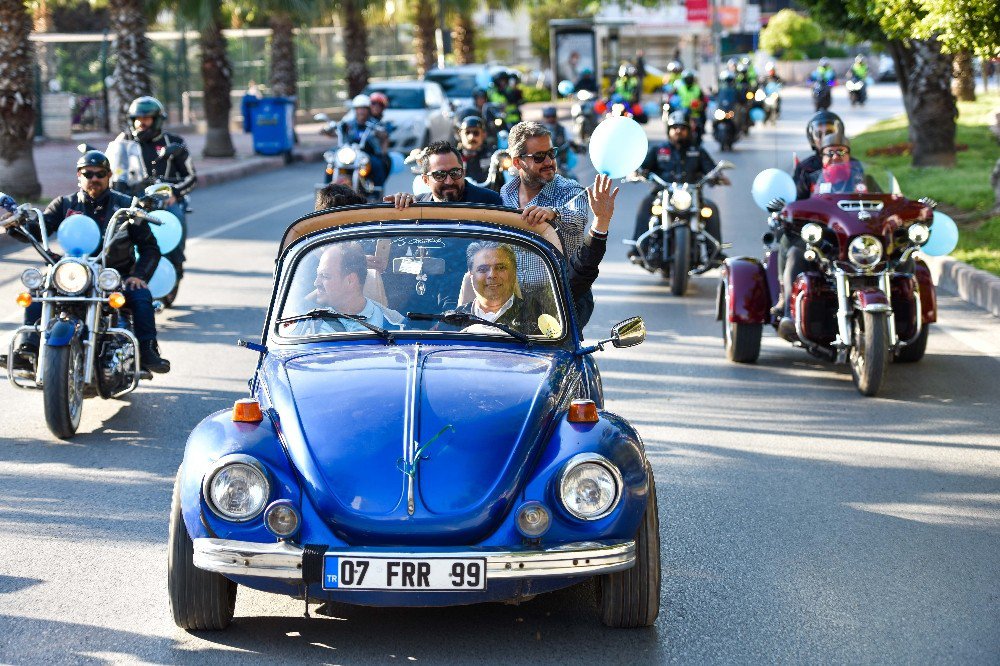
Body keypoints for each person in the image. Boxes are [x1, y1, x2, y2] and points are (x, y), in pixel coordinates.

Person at [2, 151, 170, 373]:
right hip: (74, 273)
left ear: (109, 175)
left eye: (100, 173)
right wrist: (15, 226)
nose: (94, 178)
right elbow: (38, 231)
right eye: (87, 173)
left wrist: (139, 276)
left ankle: (148, 351)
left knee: (140, 296)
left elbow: (150, 247)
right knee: (38, 291)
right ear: (78, 176)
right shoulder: (64, 204)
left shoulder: (126, 206)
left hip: (114, 275)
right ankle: (28, 349)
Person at [775, 136, 867, 341]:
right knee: (795, 254)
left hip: (857, 241)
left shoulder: (861, 178)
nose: (836, 156)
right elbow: (795, 203)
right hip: (821, 240)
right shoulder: (814, 178)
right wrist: (785, 208)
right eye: (830, 152)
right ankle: (789, 312)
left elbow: (885, 197)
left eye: (841, 152)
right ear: (822, 156)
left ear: (849, 156)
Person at [628, 111, 730, 263]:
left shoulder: (697, 151)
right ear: (668, 130)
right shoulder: (658, 150)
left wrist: (718, 177)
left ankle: (714, 253)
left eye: (682, 128)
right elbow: (643, 167)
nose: (678, 131)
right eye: (674, 127)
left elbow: (711, 169)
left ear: (689, 131)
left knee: (711, 209)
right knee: (645, 205)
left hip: (692, 196)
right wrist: (636, 172)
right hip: (662, 195)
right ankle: (637, 249)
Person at [118, 96, 195, 285]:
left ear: (157, 120)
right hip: (134, 199)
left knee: (175, 218)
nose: (140, 123)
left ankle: (177, 263)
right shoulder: (124, 140)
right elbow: (114, 168)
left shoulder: (173, 142)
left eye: (146, 118)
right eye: (137, 118)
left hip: (165, 199)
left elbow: (191, 176)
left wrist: (174, 192)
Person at [292, 242, 404, 336]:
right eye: (318, 275)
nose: (316, 283)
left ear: (350, 280)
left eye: (325, 276)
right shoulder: (306, 322)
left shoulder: (396, 324)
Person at [386, 141, 503, 206]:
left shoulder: (490, 202)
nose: (449, 181)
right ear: (425, 180)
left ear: (463, 173)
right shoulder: (417, 206)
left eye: (455, 172)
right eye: (440, 175)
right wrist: (401, 205)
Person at [340, 94, 390, 188]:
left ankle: (377, 192)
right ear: (355, 110)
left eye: (364, 108)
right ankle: (327, 189)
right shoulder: (349, 123)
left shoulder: (374, 123)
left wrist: (379, 132)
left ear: (368, 109)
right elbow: (336, 131)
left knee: (378, 165)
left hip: (368, 154)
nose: (361, 111)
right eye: (358, 108)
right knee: (332, 162)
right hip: (351, 154)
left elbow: (384, 134)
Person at [456, 116, 492, 184]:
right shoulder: (454, 157)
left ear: (484, 134)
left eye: (476, 133)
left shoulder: (492, 155)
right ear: (460, 134)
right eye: (467, 132)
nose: (471, 137)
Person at [539, 106, 572, 174]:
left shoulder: (562, 129)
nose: (550, 119)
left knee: (572, 178)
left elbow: (570, 141)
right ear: (544, 117)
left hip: (560, 162)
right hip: (543, 163)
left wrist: (574, 145)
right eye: (548, 116)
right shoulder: (538, 131)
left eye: (553, 116)